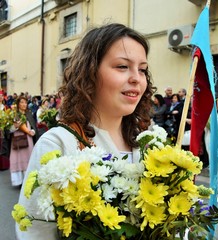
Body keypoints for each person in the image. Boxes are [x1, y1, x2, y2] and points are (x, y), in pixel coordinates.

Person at [16, 23, 155, 239]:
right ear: (89, 73)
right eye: (122, 66)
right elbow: (36, 232)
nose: (137, 78)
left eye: (143, 69)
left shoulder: (149, 144)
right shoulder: (58, 143)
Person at [9, 96, 39, 187]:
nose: (24, 104)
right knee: (17, 158)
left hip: (28, 139)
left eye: (25, 103)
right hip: (17, 140)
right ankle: (19, 181)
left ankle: (28, 180)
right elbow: (8, 129)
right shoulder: (14, 114)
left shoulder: (29, 114)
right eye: (22, 102)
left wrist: (33, 131)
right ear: (18, 104)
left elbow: (33, 126)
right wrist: (15, 127)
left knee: (28, 158)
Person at [0, 90, 10, 170]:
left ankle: (4, 165)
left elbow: (8, 117)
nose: (1, 97)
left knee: (3, 145)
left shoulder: (5, 107)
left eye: (2, 96)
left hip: (3, 128)